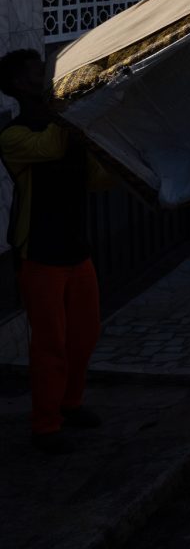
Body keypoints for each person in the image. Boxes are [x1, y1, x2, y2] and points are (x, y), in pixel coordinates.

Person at [0, 49, 109, 454]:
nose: (43, 79)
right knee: (50, 344)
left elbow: (96, 178)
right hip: (39, 253)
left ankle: (71, 403)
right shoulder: (13, 136)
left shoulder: (66, 128)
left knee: (84, 335)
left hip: (75, 247)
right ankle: (45, 425)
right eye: (35, 75)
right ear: (16, 86)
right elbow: (49, 147)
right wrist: (74, 110)